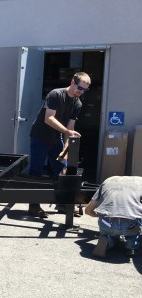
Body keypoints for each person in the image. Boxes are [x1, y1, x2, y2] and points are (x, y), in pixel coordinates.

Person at [27, 72, 91, 218]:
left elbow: (70, 129)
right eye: (80, 88)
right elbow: (49, 119)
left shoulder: (77, 103)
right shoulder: (56, 94)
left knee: (63, 171)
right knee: (36, 171)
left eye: (85, 90)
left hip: (56, 139)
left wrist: (65, 150)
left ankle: (63, 204)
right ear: (73, 82)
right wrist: (67, 131)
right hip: (40, 137)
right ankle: (33, 206)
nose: (81, 92)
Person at [85, 176, 142, 257]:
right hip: (130, 225)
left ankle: (108, 240)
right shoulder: (140, 183)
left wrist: (97, 215)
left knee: (109, 230)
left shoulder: (107, 181)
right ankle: (131, 246)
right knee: (138, 216)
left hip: (107, 223)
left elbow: (87, 210)